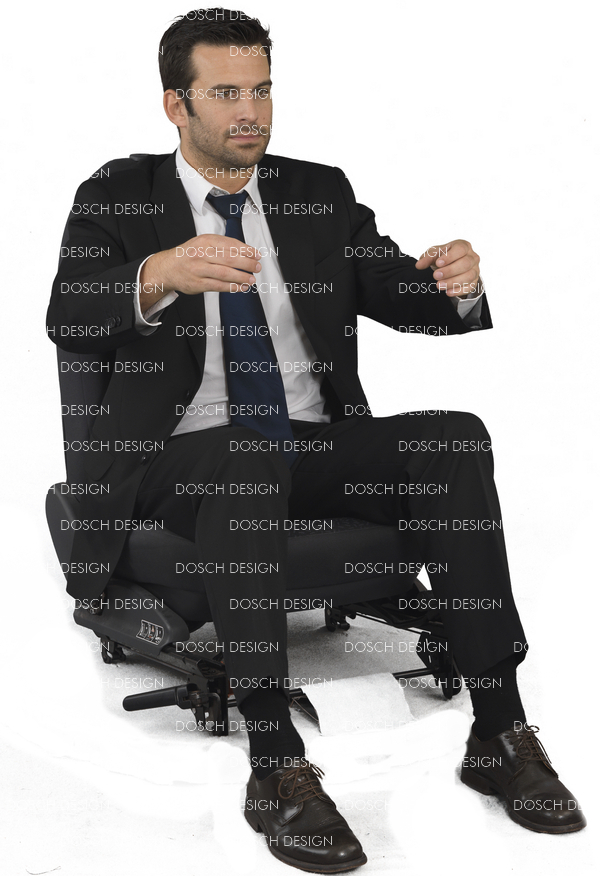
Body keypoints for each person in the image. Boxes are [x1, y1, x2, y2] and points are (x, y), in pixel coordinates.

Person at [46, 7, 586, 872]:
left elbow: (397, 291)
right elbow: (67, 314)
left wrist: (452, 286)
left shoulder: (316, 193)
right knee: (243, 453)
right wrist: (161, 273)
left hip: (304, 444)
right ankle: (275, 760)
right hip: (177, 459)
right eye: (226, 93)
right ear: (176, 105)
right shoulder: (118, 194)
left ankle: (499, 727)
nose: (250, 112)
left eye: (261, 90)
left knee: (454, 438)